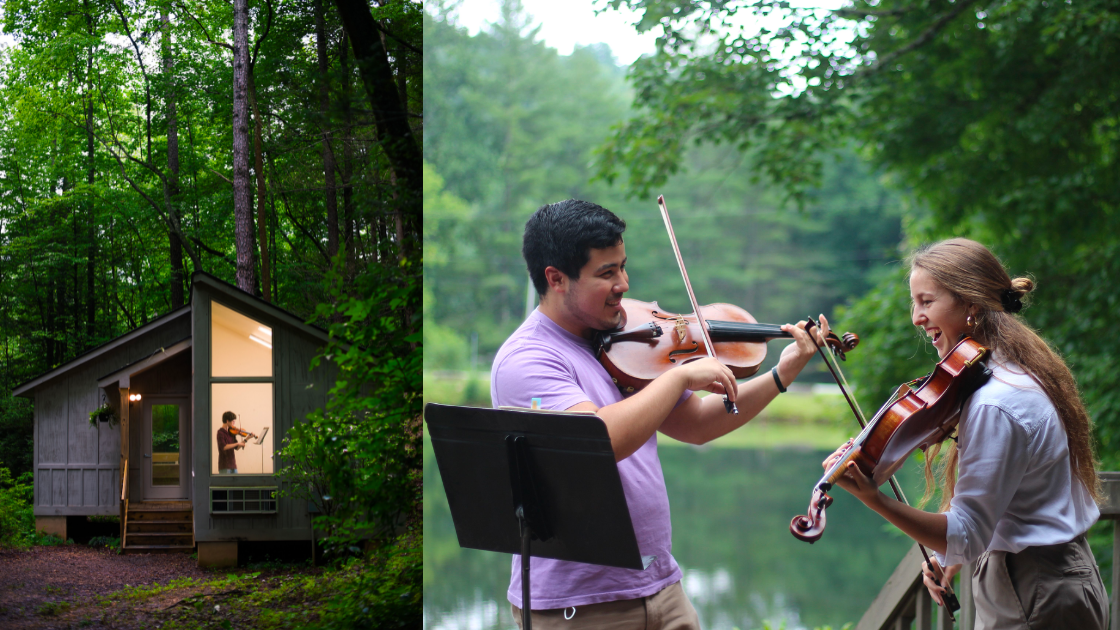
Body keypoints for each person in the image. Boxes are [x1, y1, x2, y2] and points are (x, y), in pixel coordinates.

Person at [491, 199, 821, 629]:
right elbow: (598, 441)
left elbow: (698, 425)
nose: (625, 284)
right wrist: (679, 379)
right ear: (556, 279)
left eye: (623, 267)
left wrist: (783, 373)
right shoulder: (528, 359)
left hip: (661, 589)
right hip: (580, 606)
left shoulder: (624, 344)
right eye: (607, 273)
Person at [823, 238, 1107, 629]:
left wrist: (876, 500)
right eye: (914, 302)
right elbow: (1007, 499)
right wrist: (946, 557)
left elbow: (968, 534)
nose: (915, 317)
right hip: (1050, 579)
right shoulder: (1015, 371)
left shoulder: (996, 401)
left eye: (926, 301)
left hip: (1035, 589)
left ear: (970, 305)